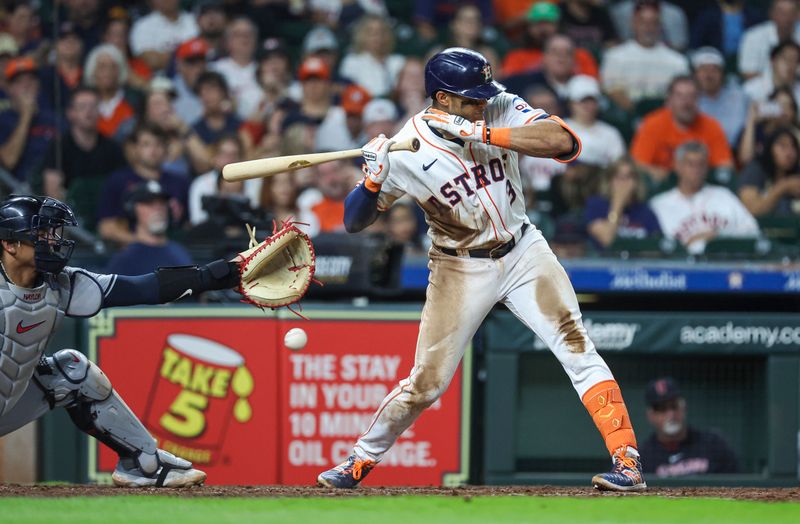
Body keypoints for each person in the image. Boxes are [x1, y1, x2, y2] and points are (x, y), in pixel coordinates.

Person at [317, 48, 646, 492]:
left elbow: (565, 142)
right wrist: (373, 180)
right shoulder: (407, 147)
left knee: (576, 347)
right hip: (459, 266)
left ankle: (627, 462)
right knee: (426, 384)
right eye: (470, 98)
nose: (482, 101)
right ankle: (359, 460)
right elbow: (354, 221)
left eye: (482, 95)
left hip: (523, 249)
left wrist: (481, 130)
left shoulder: (499, 107)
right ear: (442, 98)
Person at [0, 194, 240, 486]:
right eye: (39, 234)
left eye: (51, 232)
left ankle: (144, 464)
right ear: (9, 244)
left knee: (73, 371)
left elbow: (143, 289)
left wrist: (225, 274)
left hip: (8, 404)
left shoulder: (60, 284)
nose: (51, 240)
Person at [649, 141, 759, 254]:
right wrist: (690, 242)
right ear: (677, 166)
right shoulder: (659, 205)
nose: (696, 170)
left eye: (701, 164)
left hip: (725, 261)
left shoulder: (724, 196)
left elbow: (752, 231)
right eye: (690, 164)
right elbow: (654, 249)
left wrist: (718, 236)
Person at [40, 87, 124, 223]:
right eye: (82, 107)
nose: (89, 111)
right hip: (70, 218)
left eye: (93, 106)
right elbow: (52, 193)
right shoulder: (58, 146)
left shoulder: (113, 147)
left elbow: (120, 186)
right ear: (71, 113)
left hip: (106, 214)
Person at [97, 123, 190, 245]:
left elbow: (189, 226)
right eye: (146, 144)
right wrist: (144, 242)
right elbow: (106, 228)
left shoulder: (180, 182)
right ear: (135, 149)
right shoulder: (117, 181)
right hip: (130, 251)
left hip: (172, 252)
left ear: (166, 149)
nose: (153, 150)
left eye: (159, 144)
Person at [630, 76, 733, 184]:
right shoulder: (652, 123)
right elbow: (637, 163)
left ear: (699, 100)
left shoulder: (712, 126)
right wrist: (653, 171)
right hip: (663, 184)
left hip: (701, 183)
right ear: (669, 100)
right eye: (680, 96)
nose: (686, 103)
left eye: (691, 96)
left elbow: (725, 165)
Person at [639, 377, 739, 477]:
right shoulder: (643, 457)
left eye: (674, 406)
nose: (671, 415)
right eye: (662, 409)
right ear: (650, 416)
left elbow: (737, 485)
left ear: (684, 408)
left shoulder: (713, 444)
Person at [601, 0, 689, 112]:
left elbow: (681, 93)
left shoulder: (678, 61)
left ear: (660, 26)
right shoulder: (614, 56)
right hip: (628, 116)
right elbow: (612, 90)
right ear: (633, 23)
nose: (648, 27)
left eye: (653, 23)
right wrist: (638, 113)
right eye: (643, 22)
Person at [106, 181, 193, 275]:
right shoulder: (124, 260)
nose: (158, 209)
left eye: (162, 203)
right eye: (149, 203)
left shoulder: (180, 251)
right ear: (132, 210)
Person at [0, 57, 58, 184]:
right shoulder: (2, 120)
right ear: (9, 89)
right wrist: (26, 116)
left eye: (31, 80)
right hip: (17, 193)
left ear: (39, 85)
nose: (26, 85)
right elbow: (8, 161)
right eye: (19, 82)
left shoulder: (53, 119)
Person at [584, 158, 662, 250]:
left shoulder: (645, 211)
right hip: (605, 261)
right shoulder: (596, 205)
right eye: (619, 177)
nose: (623, 183)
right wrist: (618, 203)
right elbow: (607, 240)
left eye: (628, 177)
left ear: (636, 182)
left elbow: (656, 245)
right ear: (610, 181)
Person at [563, 75, 625, 168]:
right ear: (571, 103)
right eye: (583, 100)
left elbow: (618, 166)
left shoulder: (610, 133)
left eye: (592, 100)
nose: (588, 105)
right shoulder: (559, 128)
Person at [692, 47, 748, 148]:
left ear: (722, 74)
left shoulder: (739, 97)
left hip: (734, 152)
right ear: (695, 74)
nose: (709, 75)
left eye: (714, 70)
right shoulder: (688, 99)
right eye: (704, 70)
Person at [738, 128, 800, 217]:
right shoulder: (755, 169)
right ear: (769, 147)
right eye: (783, 146)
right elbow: (751, 210)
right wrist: (783, 187)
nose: (789, 152)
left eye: (793, 147)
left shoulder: (796, 174)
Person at [129, 0, 199, 72]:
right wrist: (190, 53)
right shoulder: (142, 26)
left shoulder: (194, 20)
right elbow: (153, 61)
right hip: (161, 79)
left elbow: (207, 51)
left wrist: (168, 56)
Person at [738, 0, 800, 80]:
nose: (786, 17)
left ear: (797, 15)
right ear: (771, 14)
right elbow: (747, 72)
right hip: (761, 89)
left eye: (791, 13)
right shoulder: (753, 36)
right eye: (781, 12)